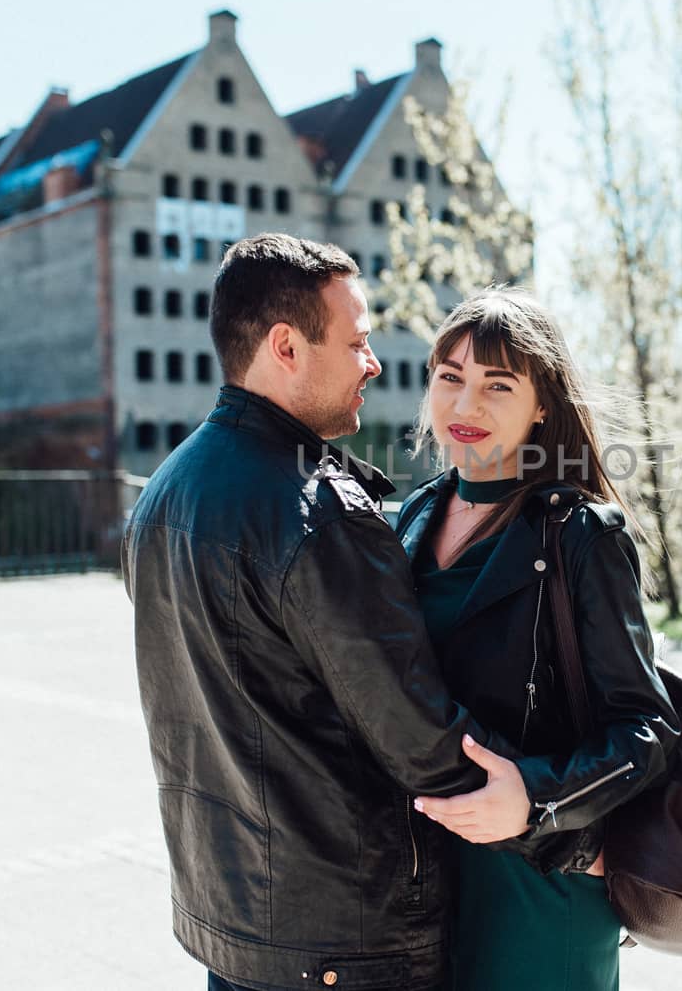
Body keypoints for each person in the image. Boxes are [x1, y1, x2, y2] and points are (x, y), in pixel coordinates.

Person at [124, 235, 537, 991]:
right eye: (357, 341)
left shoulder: (161, 494)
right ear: (286, 346)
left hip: (233, 928)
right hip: (347, 944)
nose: (374, 364)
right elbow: (426, 748)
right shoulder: (322, 516)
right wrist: (566, 820)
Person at [396, 288, 682, 990]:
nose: (466, 407)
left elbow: (648, 730)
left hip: (539, 882)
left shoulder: (581, 534)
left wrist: (533, 796)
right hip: (419, 879)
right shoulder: (412, 515)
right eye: (450, 377)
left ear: (542, 403)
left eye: (499, 385)